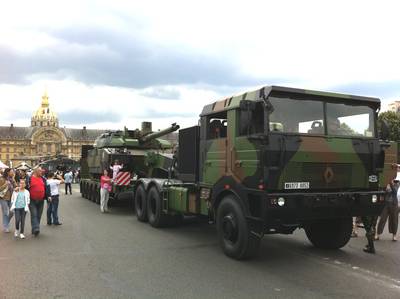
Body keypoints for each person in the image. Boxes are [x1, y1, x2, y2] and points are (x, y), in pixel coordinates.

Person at [26, 166, 51, 237]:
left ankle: (34, 229)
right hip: (32, 200)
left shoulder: (43, 179)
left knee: (39, 215)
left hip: (41, 200)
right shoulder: (29, 179)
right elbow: (25, 188)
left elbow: (47, 188)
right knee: (34, 214)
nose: (42, 172)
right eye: (40, 171)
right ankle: (36, 228)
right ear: (36, 171)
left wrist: (49, 196)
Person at [376, 177, 400, 241]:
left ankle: (394, 236)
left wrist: (391, 184)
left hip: (394, 204)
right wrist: (384, 188)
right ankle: (377, 234)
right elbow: (382, 192)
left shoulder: (397, 183)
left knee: (394, 220)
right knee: (382, 219)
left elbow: (395, 192)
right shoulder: (386, 184)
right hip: (386, 204)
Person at [0, 168, 17, 233]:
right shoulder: (1, 179)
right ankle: (6, 226)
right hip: (3, 198)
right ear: (7, 172)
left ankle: (6, 222)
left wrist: (13, 180)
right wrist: (5, 184)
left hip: (11, 198)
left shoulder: (12, 179)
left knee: (12, 212)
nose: (13, 173)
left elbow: (16, 186)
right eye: (12, 172)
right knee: (5, 213)